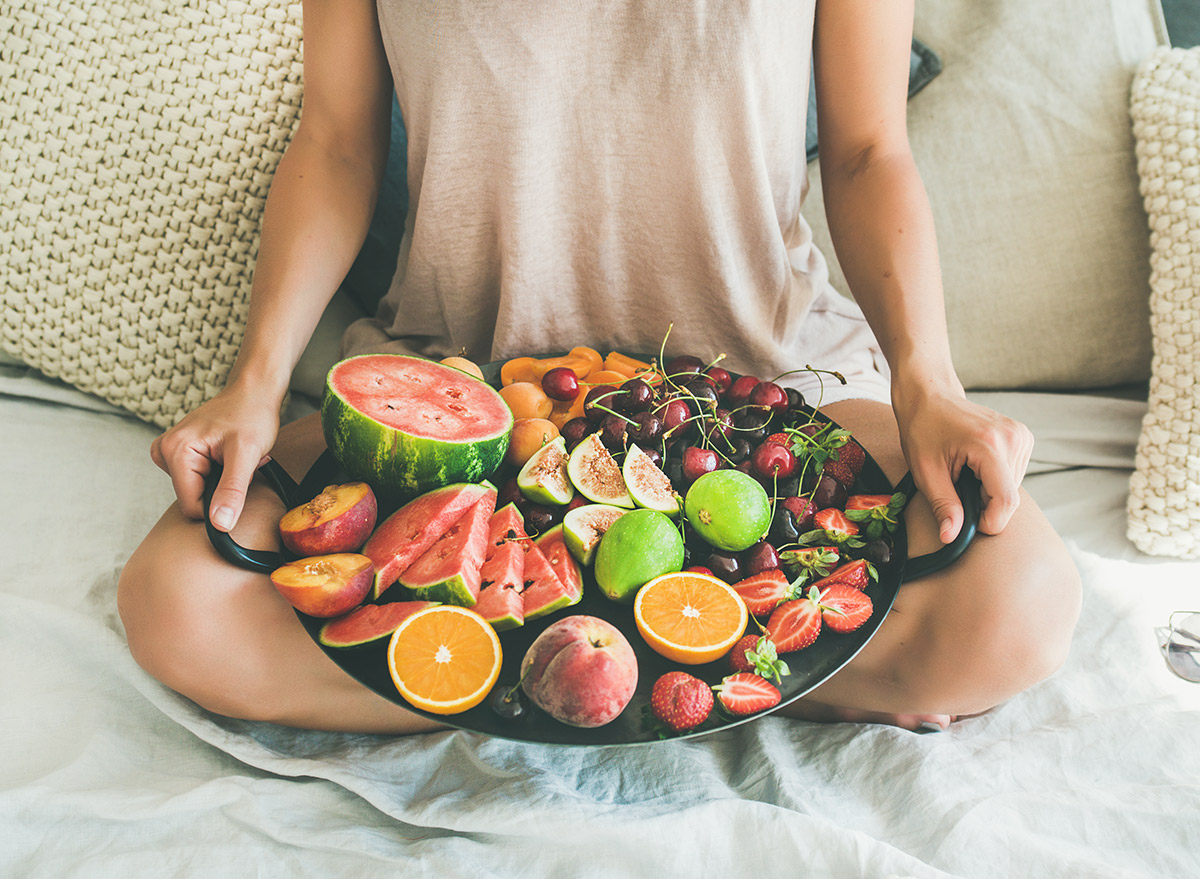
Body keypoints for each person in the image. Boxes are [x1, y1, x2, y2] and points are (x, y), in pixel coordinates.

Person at [117, 0, 1081, 734]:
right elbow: (333, 144)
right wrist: (253, 379)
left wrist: (929, 385)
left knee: (1022, 606)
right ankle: (705, 685)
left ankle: (487, 679)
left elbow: (870, 152)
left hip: (765, 384)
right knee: (176, 603)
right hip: (463, 385)